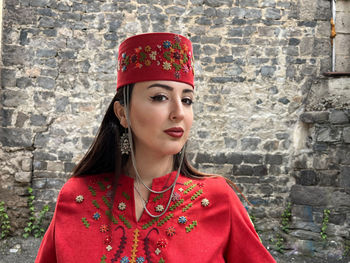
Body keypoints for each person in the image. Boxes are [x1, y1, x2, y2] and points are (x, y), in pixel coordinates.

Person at [35, 33, 276, 263]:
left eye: (187, 100)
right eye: (160, 97)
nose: (179, 113)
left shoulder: (217, 199)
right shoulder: (77, 197)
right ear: (123, 113)